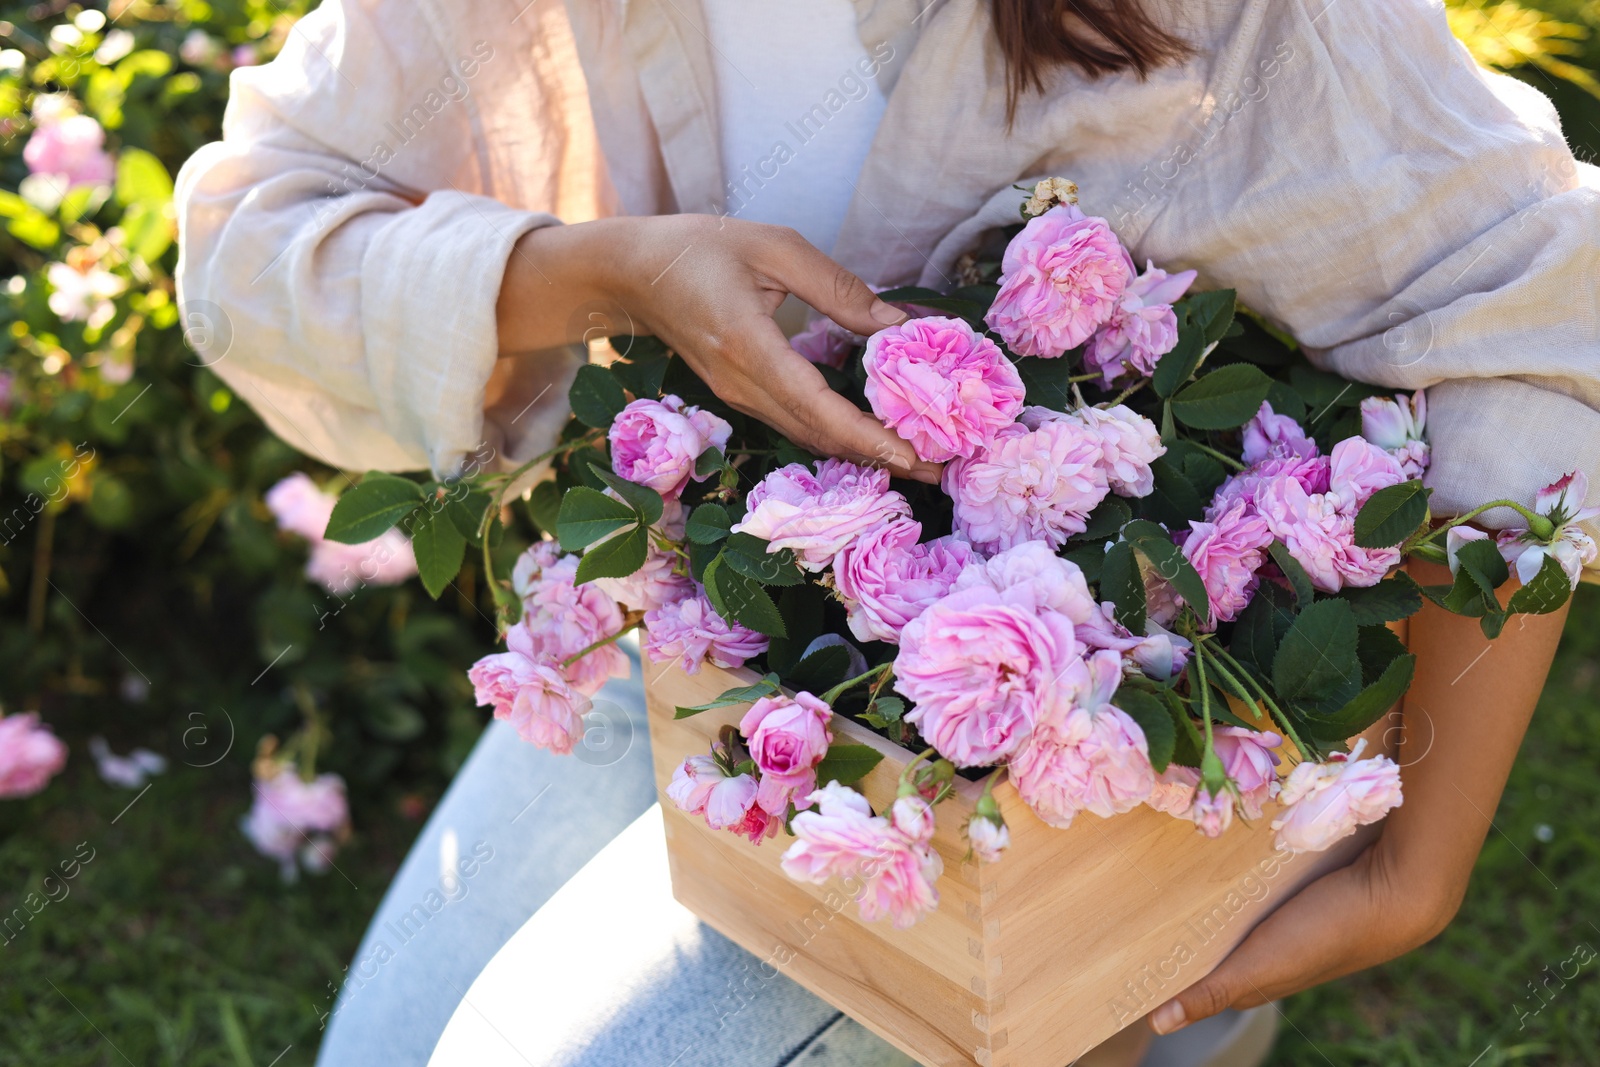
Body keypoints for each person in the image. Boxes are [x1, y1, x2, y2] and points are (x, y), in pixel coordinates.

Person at [173, 0, 1595, 1063]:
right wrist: (613, 276)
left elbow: (1539, 296)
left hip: (1031, 780)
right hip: (709, 645)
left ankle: (1129, 1008)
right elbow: (255, 237)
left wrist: (1418, 867)